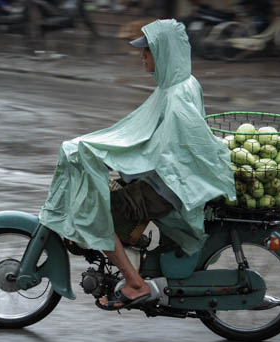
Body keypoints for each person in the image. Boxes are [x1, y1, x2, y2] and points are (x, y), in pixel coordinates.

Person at [39, 19, 236, 310]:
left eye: (148, 50)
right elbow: (140, 134)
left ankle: (135, 283)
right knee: (109, 197)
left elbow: (160, 151)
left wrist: (112, 154)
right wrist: (107, 148)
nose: (142, 55)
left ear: (165, 52)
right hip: (167, 182)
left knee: (95, 214)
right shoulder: (179, 84)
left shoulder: (177, 97)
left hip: (167, 189)